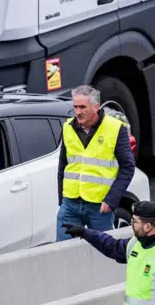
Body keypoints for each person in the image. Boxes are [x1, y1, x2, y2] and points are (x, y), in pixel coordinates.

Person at [57, 85, 136, 241]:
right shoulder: (67, 128)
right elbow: (63, 166)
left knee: (105, 253)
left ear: (96, 106)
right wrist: (62, 199)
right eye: (75, 107)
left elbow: (128, 167)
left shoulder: (115, 129)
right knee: (62, 253)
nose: (78, 112)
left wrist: (111, 200)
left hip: (99, 206)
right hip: (70, 204)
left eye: (82, 107)